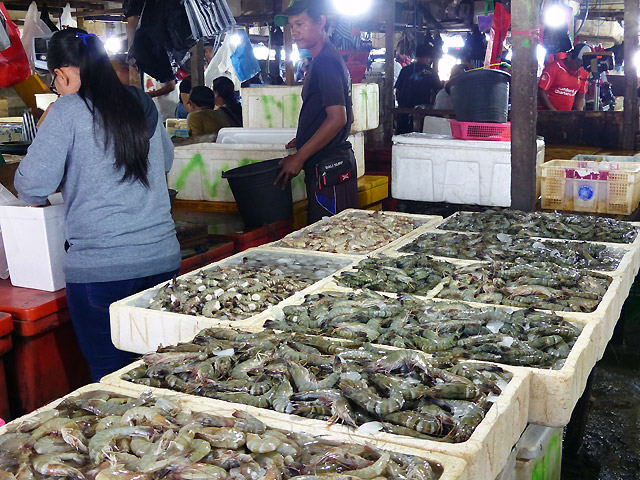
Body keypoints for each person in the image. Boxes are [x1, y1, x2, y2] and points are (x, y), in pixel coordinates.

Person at [13, 28, 180, 382]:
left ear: (64, 72)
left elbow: (30, 187)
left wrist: (49, 124)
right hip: (162, 259)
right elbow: (164, 161)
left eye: (54, 78)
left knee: (111, 376)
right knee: (163, 371)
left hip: (102, 271)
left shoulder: (68, 110)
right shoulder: (140, 101)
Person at [273, 0, 358, 223]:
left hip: (329, 168)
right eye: (292, 26)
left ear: (321, 22)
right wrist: (305, 137)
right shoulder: (327, 59)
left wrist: (300, 156)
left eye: (300, 24)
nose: (295, 32)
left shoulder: (325, 63)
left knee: (331, 239)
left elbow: (338, 118)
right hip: (331, 165)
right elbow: (349, 115)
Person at [395, 43, 441, 134]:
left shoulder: (405, 70)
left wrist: (402, 105)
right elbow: (439, 93)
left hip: (403, 112)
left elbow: (397, 92)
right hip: (422, 114)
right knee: (418, 141)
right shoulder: (431, 73)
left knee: (401, 139)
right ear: (429, 57)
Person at [538, 43, 591, 111]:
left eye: (582, 65)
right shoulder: (554, 68)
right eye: (578, 62)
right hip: (546, 114)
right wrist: (555, 113)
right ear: (569, 56)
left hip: (565, 115)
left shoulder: (583, 72)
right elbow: (541, 92)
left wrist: (578, 113)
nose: (579, 66)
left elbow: (581, 96)